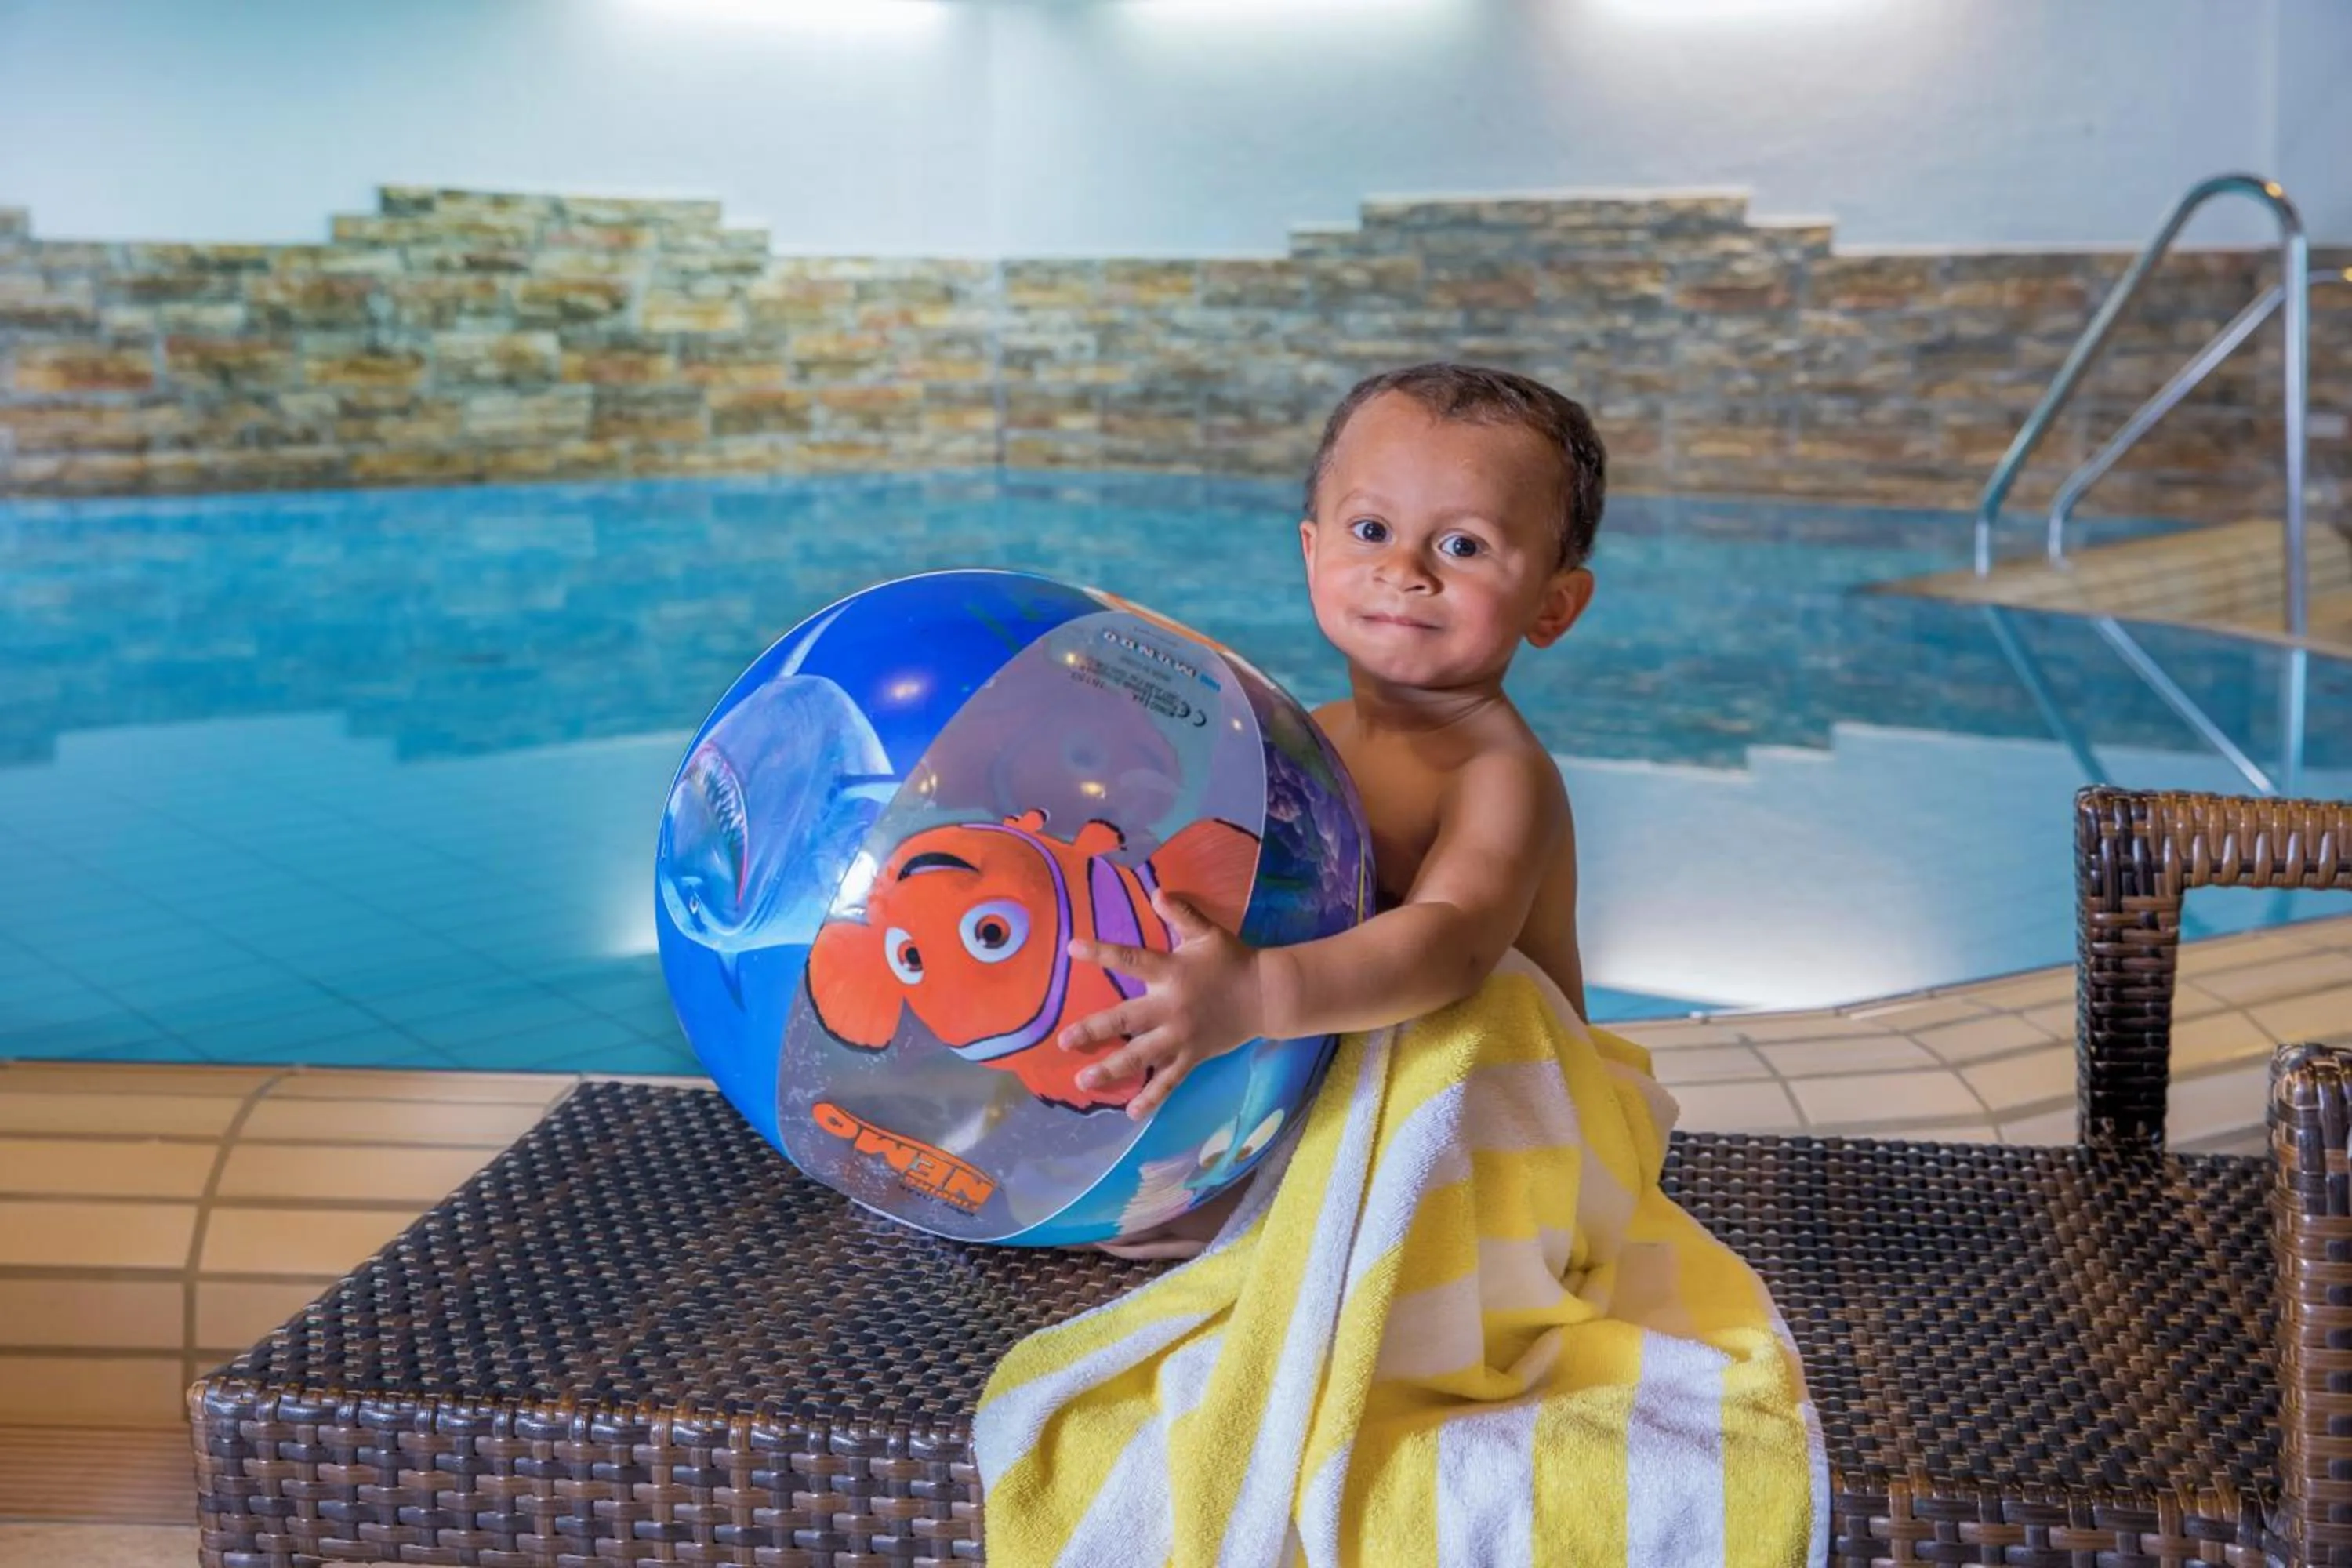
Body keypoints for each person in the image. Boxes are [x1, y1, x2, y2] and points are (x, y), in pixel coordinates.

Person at [1058, 361, 1606, 1258]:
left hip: (1490, 1119)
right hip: (1338, 1050)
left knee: (1404, 987)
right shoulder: (1314, 733)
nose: (1404, 570)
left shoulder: (1499, 772)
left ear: (1553, 604)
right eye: (1372, 529)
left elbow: (1451, 940)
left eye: (1462, 545)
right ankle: (1251, 1168)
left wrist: (1258, 992)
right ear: (1313, 553)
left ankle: (1302, 1204)